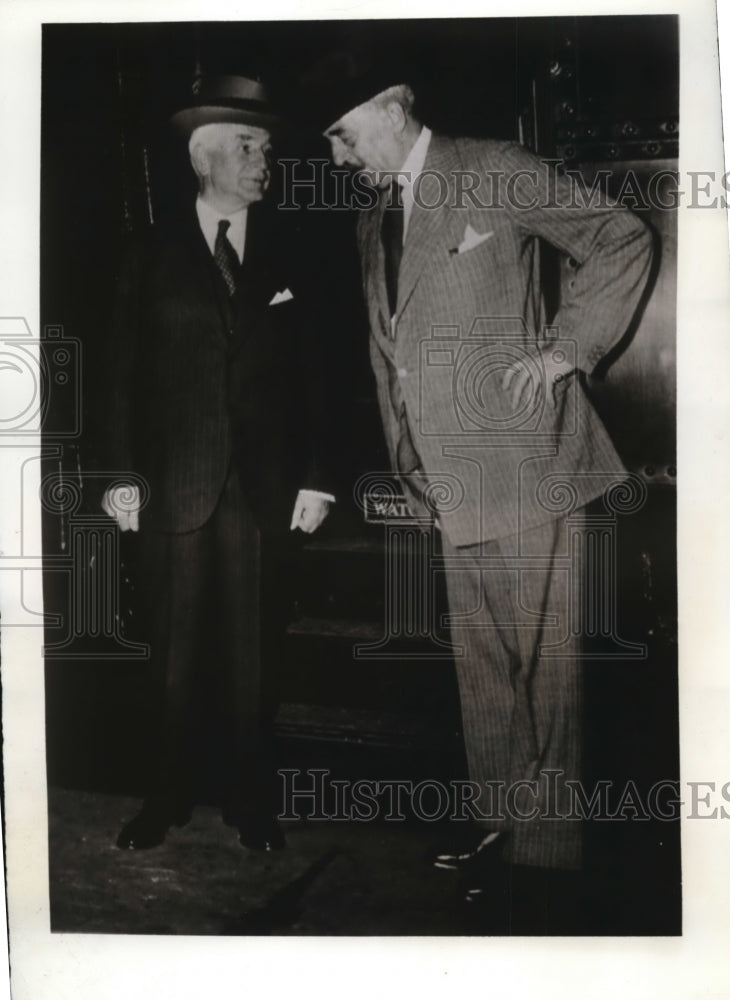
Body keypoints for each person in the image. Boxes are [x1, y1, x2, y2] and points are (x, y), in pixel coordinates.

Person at [302, 52, 653, 896]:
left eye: (345, 136)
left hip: (528, 459)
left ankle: (547, 863)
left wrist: (564, 351)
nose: (340, 158)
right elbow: (389, 352)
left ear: (391, 111)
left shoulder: (491, 166)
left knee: (546, 672)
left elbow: (620, 235)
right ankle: (503, 826)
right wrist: (407, 458)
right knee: (485, 671)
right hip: (448, 477)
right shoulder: (372, 216)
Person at [102, 75, 333, 852]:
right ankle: (162, 796)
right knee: (170, 656)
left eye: (265, 148)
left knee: (253, 658)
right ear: (203, 159)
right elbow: (117, 373)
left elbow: (318, 376)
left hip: (263, 490)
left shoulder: (296, 253)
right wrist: (118, 474)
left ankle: (250, 801)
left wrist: (318, 478)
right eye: (246, 147)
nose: (263, 161)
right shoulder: (147, 252)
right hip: (172, 486)